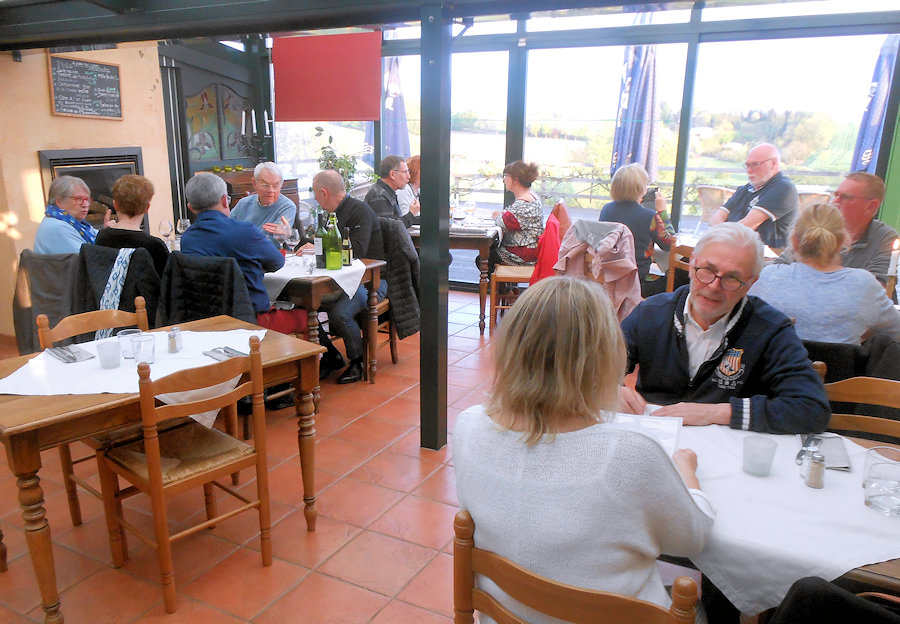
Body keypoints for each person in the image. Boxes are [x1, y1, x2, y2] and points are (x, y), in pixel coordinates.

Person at [453, 276, 715, 623]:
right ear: (604, 356)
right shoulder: (630, 452)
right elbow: (692, 540)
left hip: (504, 613)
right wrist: (688, 472)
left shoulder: (468, 426)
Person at [619, 222, 830, 434]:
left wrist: (715, 413)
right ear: (692, 265)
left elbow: (812, 409)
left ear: (751, 282)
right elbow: (592, 370)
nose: (713, 287)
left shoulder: (771, 329)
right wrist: (611, 391)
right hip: (653, 436)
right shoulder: (651, 313)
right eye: (707, 270)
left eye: (731, 278)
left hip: (729, 452)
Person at [750, 203, 900, 344]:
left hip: (774, 369)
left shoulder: (767, 277)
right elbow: (896, 332)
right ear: (843, 242)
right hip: (843, 371)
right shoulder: (863, 284)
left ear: (794, 242)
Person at [180, 172, 307, 338]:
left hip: (207, 321)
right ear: (225, 200)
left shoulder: (187, 238)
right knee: (306, 315)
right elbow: (276, 263)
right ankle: (325, 361)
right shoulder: (244, 232)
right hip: (250, 320)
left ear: (191, 207)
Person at [312, 169, 387, 384]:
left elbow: (358, 250)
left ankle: (358, 359)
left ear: (324, 193)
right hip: (340, 281)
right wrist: (303, 245)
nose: (315, 198)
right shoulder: (331, 215)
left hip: (372, 281)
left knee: (340, 314)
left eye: (316, 193)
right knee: (302, 306)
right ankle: (330, 355)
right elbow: (317, 242)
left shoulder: (360, 211)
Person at [777, 173, 899, 284]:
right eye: (835, 195)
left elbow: (878, 288)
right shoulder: (819, 228)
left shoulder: (885, 239)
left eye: (846, 197)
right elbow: (779, 266)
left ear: (871, 206)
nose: (835, 202)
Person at [599, 163, 675, 295]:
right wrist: (662, 212)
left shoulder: (606, 209)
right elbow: (669, 244)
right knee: (680, 279)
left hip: (610, 279)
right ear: (641, 189)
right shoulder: (649, 217)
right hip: (637, 284)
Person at [708, 143, 798, 252]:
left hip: (765, 259)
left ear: (773, 164)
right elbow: (715, 217)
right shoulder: (746, 189)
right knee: (685, 258)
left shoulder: (783, 188)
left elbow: (746, 227)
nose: (749, 170)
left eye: (755, 164)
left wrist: (720, 236)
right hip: (735, 250)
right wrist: (722, 237)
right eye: (747, 165)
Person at [96, 174, 169, 277]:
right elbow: (167, 284)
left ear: (115, 205)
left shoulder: (101, 237)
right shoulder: (155, 246)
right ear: (147, 208)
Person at [483, 160, 544, 273]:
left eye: (506, 176)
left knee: (485, 258)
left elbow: (504, 222)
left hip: (523, 255)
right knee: (490, 249)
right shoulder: (530, 196)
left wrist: (497, 216)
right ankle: (507, 289)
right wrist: (501, 215)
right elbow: (510, 217)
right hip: (528, 249)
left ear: (515, 179)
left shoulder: (524, 203)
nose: (504, 180)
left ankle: (504, 290)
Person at [230, 161, 297, 247]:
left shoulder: (287, 207)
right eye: (266, 185)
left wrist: (283, 235)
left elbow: (272, 242)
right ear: (254, 183)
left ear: (281, 185)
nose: (271, 190)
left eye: (276, 186)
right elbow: (227, 231)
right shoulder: (243, 204)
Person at [34, 175, 103, 254]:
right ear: (59, 202)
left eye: (87, 199)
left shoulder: (73, 222)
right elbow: (89, 258)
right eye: (79, 199)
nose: (85, 205)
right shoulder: (57, 227)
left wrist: (107, 233)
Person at [365, 155, 420, 228]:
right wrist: (412, 214)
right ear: (392, 174)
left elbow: (394, 222)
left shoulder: (387, 193)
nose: (408, 176)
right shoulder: (380, 196)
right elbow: (390, 230)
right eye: (405, 172)